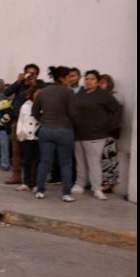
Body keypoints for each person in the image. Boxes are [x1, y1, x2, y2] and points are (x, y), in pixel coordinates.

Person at [71, 70, 123, 200]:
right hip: (78, 134)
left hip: (96, 135)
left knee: (94, 162)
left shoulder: (104, 95)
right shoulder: (80, 94)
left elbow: (117, 110)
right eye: (87, 78)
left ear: (98, 81)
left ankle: (96, 188)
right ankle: (80, 184)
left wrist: (109, 126)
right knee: (80, 161)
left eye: (92, 79)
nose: (88, 81)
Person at [32, 66, 77, 202]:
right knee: (66, 163)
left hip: (46, 130)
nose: (70, 79)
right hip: (64, 130)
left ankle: (40, 190)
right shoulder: (68, 93)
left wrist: (43, 121)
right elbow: (73, 113)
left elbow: (35, 111)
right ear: (62, 78)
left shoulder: (43, 92)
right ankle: (66, 193)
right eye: (69, 76)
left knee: (45, 161)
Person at [3, 64, 44, 184]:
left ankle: (31, 177)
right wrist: (18, 81)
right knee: (16, 150)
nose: (30, 75)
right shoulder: (19, 84)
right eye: (28, 73)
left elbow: (44, 94)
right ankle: (16, 175)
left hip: (34, 123)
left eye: (33, 73)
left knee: (32, 152)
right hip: (18, 121)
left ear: (37, 74)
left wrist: (34, 83)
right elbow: (6, 92)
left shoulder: (40, 84)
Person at [98, 74, 123, 193]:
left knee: (109, 157)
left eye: (103, 83)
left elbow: (116, 115)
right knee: (100, 158)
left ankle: (108, 183)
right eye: (100, 82)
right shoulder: (97, 96)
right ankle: (101, 182)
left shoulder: (115, 96)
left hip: (110, 132)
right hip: (98, 132)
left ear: (109, 84)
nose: (101, 85)